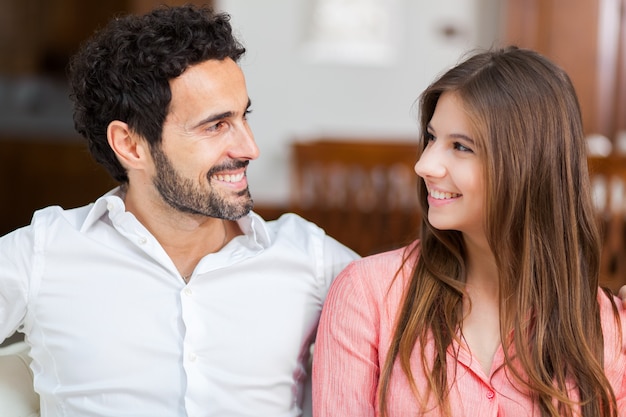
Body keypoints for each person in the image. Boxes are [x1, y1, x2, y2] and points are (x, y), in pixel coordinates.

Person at [0, 5, 358, 417]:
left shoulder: (307, 256)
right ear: (131, 145)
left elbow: (417, 325)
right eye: (215, 126)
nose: (250, 148)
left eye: (244, 117)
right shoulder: (45, 250)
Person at [312, 46, 626, 416]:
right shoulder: (367, 295)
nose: (424, 164)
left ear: (527, 166)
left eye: (460, 146)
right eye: (431, 138)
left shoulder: (605, 327)